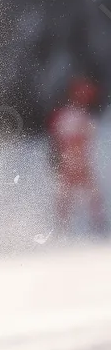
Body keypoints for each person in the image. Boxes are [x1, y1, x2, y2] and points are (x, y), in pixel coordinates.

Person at [48, 76, 108, 235]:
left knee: (87, 196)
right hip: (70, 164)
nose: (86, 99)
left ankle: (96, 227)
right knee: (68, 197)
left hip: (78, 164)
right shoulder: (70, 115)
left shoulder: (79, 114)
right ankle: (61, 229)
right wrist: (57, 159)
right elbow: (58, 140)